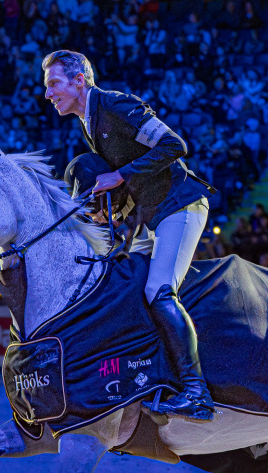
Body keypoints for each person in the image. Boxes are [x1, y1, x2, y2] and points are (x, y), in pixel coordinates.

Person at [43, 50, 217, 421]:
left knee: (158, 290)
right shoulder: (88, 122)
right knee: (127, 289)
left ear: (79, 80)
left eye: (54, 84)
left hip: (180, 205)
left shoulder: (116, 104)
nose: (48, 94)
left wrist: (119, 176)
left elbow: (175, 146)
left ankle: (197, 394)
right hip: (152, 216)